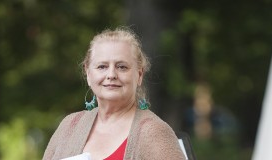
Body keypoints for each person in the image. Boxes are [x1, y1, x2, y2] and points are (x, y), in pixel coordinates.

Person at [43, 27, 186, 160]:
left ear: (140, 74)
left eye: (122, 67)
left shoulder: (153, 132)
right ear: (88, 74)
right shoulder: (69, 125)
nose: (111, 74)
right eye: (102, 67)